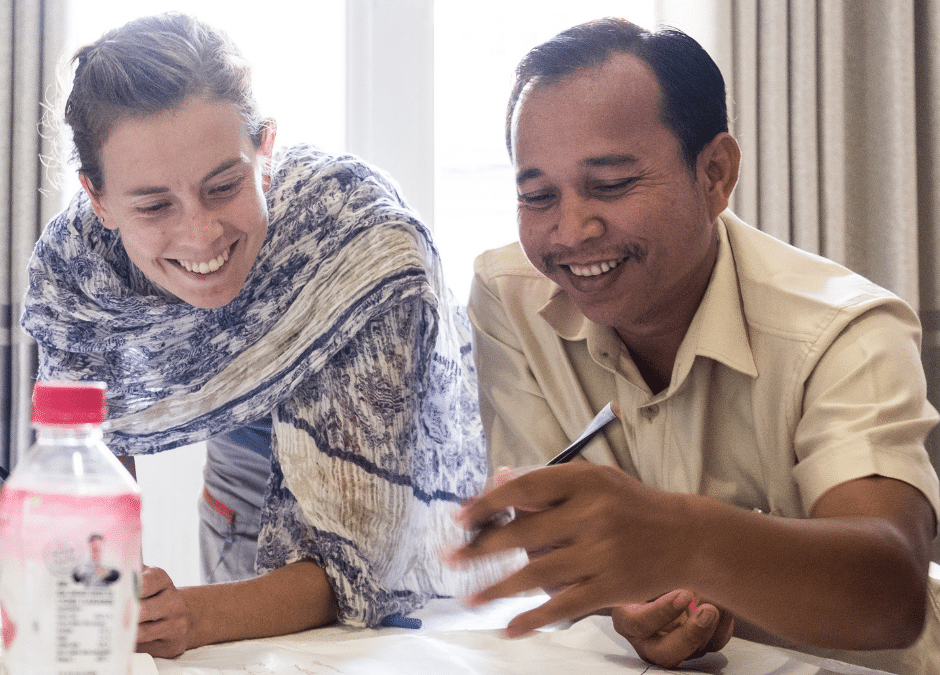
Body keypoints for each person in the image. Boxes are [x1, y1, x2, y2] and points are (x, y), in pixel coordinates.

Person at [447, 17, 940, 674]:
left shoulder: (842, 330)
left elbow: (891, 592)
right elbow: (558, 549)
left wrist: (683, 539)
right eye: (538, 195)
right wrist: (625, 605)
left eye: (612, 183)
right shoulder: (510, 299)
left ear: (715, 173)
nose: (570, 230)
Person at [22, 12, 496, 659]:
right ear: (98, 200)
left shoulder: (366, 251)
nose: (201, 235)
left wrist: (185, 615)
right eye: (155, 206)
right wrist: (106, 607)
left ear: (265, 149)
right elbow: (82, 483)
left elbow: (357, 565)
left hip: (387, 549)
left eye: (224, 186)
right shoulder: (77, 270)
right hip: (236, 510)